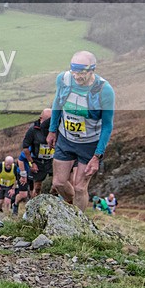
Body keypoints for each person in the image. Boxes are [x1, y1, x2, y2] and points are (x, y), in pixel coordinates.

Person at [48, 51, 115, 211]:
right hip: (66, 139)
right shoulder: (63, 80)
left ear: (92, 70)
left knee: (80, 187)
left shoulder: (104, 90)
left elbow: (107, 125)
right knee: (58, 183)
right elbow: (57, 104)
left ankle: (78, 221)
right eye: (74, 71)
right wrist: (52, 130)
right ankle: (71, 206)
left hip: (89, 143)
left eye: (82, 72)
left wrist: (97, 156)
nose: (77, 76)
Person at [19, 108, 53, 197]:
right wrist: (32, 163)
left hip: (52, 160)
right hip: (38, 161)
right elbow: (25, 148)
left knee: (58, 184)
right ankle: (35, 203)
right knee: (37, 187)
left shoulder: (56, 128)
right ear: (41, 119)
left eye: (51, 121)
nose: (48, 124)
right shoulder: (33, 130)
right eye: (47, 121)